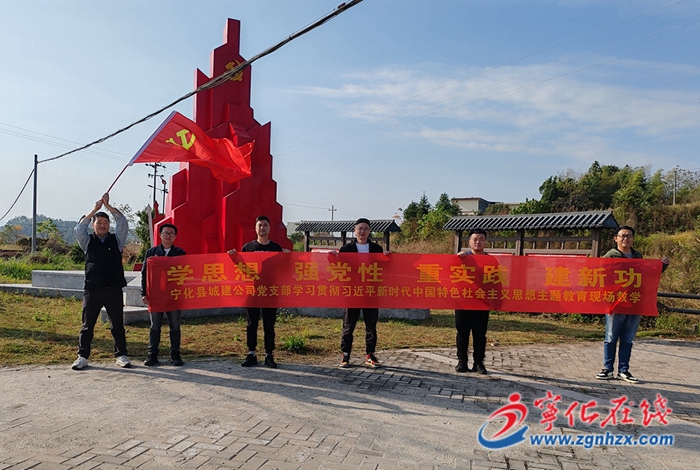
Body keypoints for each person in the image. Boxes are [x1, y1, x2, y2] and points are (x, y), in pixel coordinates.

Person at [596, 225, 669, 384]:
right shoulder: (610, 257)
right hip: (615, 303)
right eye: (622, 236)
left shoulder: (637, 256)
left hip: (635, 302)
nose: (625, 239)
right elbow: (599, 276)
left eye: (629, 236)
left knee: (627, 338)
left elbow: (647, 275)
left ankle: (623, 370)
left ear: (633, 239)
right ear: (616, 238)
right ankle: (607, 369)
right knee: (611, 337)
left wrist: (661, 266)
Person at [71, 193, 130, 370]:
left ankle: (121, 355)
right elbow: (79, 229)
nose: (103, 225)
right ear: (93, 225)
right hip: (93, 289)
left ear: (109, 225)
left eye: (105, 222)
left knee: (117, 324)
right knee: (87, 325)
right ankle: (82, 356)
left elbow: (123, 223)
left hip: (113, 288)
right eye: (99, 222)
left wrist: (108, 206)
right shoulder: (87, 241)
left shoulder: (117, 240)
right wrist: (94, 209)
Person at [229, 216, 290, 368]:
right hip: (253, 290)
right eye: (259, 225)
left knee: (269, 324)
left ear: (269, 228)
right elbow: (242, 268)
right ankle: (251, 354)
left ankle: (269, 355)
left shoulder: (276, 248)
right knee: (252, 323)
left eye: (265, 225)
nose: (262, 228)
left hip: (270, 290)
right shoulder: (248, 247)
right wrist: (234, 258)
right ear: (255, 228)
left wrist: (287, 257)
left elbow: (283, 269)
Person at [337, 218, 386, 368]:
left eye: (365, 228)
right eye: (360, 228)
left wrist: (388, 257)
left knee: (371, 325)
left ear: (370, 231)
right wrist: (332, 256)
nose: (362, 231)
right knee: (348, 325)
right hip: (352, 292)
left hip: (370, 292)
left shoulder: (377, 249)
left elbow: (384, 268)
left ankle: (370, 354)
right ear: (355, 230)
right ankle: (345, 354)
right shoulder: (346, 249)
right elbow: (337, 267)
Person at [141, 223, 187, 366]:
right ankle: (152, 355)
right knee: (155, 326)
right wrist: (144, 293)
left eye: (171, 233)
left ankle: (175, 354)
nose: (168, 236)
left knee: (175, 326)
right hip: (156, 295)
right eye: (165, 233)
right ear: (160, 235)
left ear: (175, 236)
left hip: (174, 295)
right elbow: (145, 274)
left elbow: (185, 273)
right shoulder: (151, 252)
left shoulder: (180, 253)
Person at [454, 229, 491, 375]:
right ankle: (462, 361)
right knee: (462, 333)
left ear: (485, 242)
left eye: (481, 239)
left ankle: (478, 363)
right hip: (463, 301)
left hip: (482, 302)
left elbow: (496, 282)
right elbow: (450, 274)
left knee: (480, 334)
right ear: (469, 242)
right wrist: (457, 259)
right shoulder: (462, 258)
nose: (478, 242)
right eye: (475, 239)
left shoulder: (490, 260)